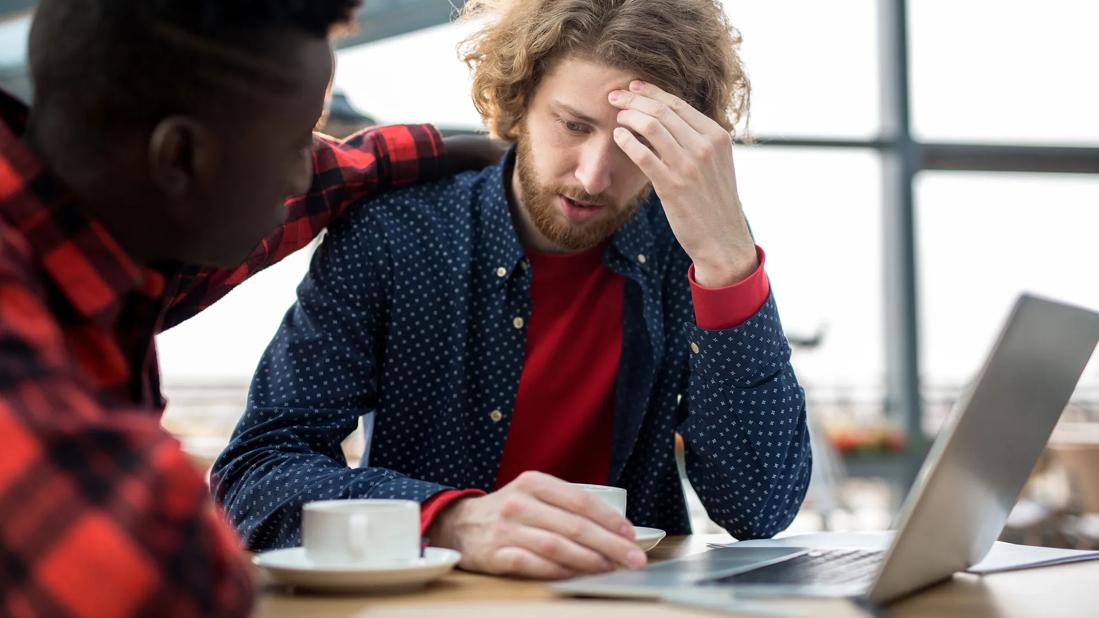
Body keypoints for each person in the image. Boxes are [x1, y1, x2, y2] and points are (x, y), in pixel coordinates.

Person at [214, 0, 812, 581]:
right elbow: (255, 474)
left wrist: (729, 265)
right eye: (574, 125)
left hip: (628, 601)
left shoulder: (694, 250)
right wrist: (453, 520)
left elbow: (757, 509)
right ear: (520, 100)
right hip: (431, 604)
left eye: (636, 142)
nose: (593, 175)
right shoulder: (394, 235)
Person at [0, 1, 497, 615]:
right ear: (180, 157)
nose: (300, 175)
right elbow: (155, 578)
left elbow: (326, 181)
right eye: (294, 144)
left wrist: (448, 155)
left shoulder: (103, 235)